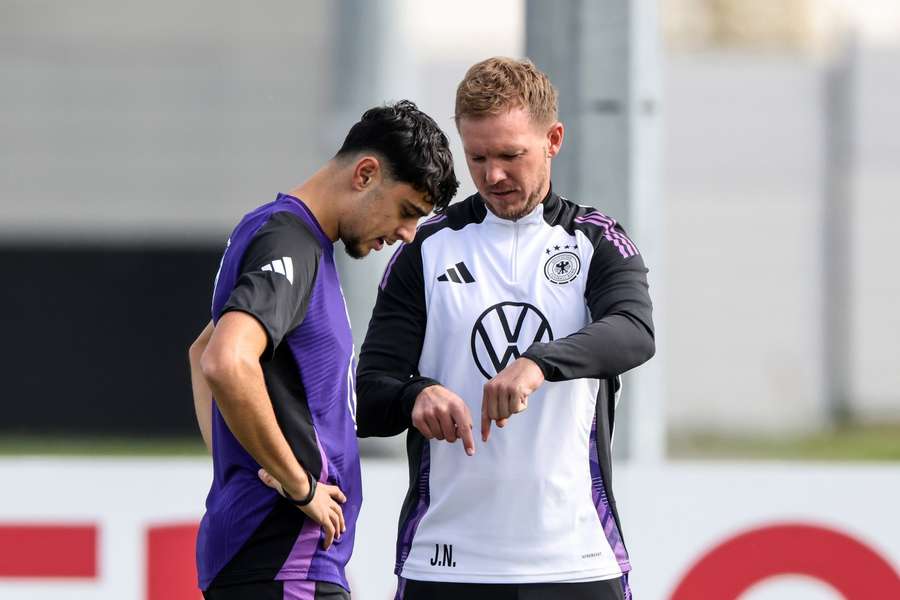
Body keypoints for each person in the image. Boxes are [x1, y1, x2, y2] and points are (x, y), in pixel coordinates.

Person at [356, 57, 655, 600]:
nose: (493, 175)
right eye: (477, 157)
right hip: (445, 563)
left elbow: (634, 331)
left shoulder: (597, 240)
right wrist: (415, 396)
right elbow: (368, 394)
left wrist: (537, 362)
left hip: (575, 560)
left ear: (553, 139)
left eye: (510, 155)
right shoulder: (425, 246)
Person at [187, 100, 459, 600]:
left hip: (274, 560)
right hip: (284, 561)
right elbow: (223, 362)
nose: (405, 234)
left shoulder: (292, 240)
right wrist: (298, 484)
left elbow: (201, 354)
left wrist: (247, 463)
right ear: (366, 173)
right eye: (406, 211)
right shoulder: (290, 244)